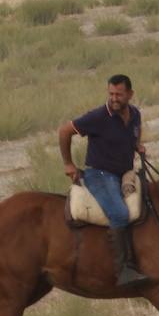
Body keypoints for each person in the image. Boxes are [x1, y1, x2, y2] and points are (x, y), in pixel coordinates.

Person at [59, 74, 148, 288]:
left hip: (124, 173)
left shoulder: (135, 114)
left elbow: (133, 132)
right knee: (119, 214)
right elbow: (65, 131)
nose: (114, 98)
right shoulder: (98, 116)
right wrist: (68, 164)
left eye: (119, 94)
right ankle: (123, 270)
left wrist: (136, 145)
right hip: (99, 174)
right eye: (111, 94)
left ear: (130, 94)